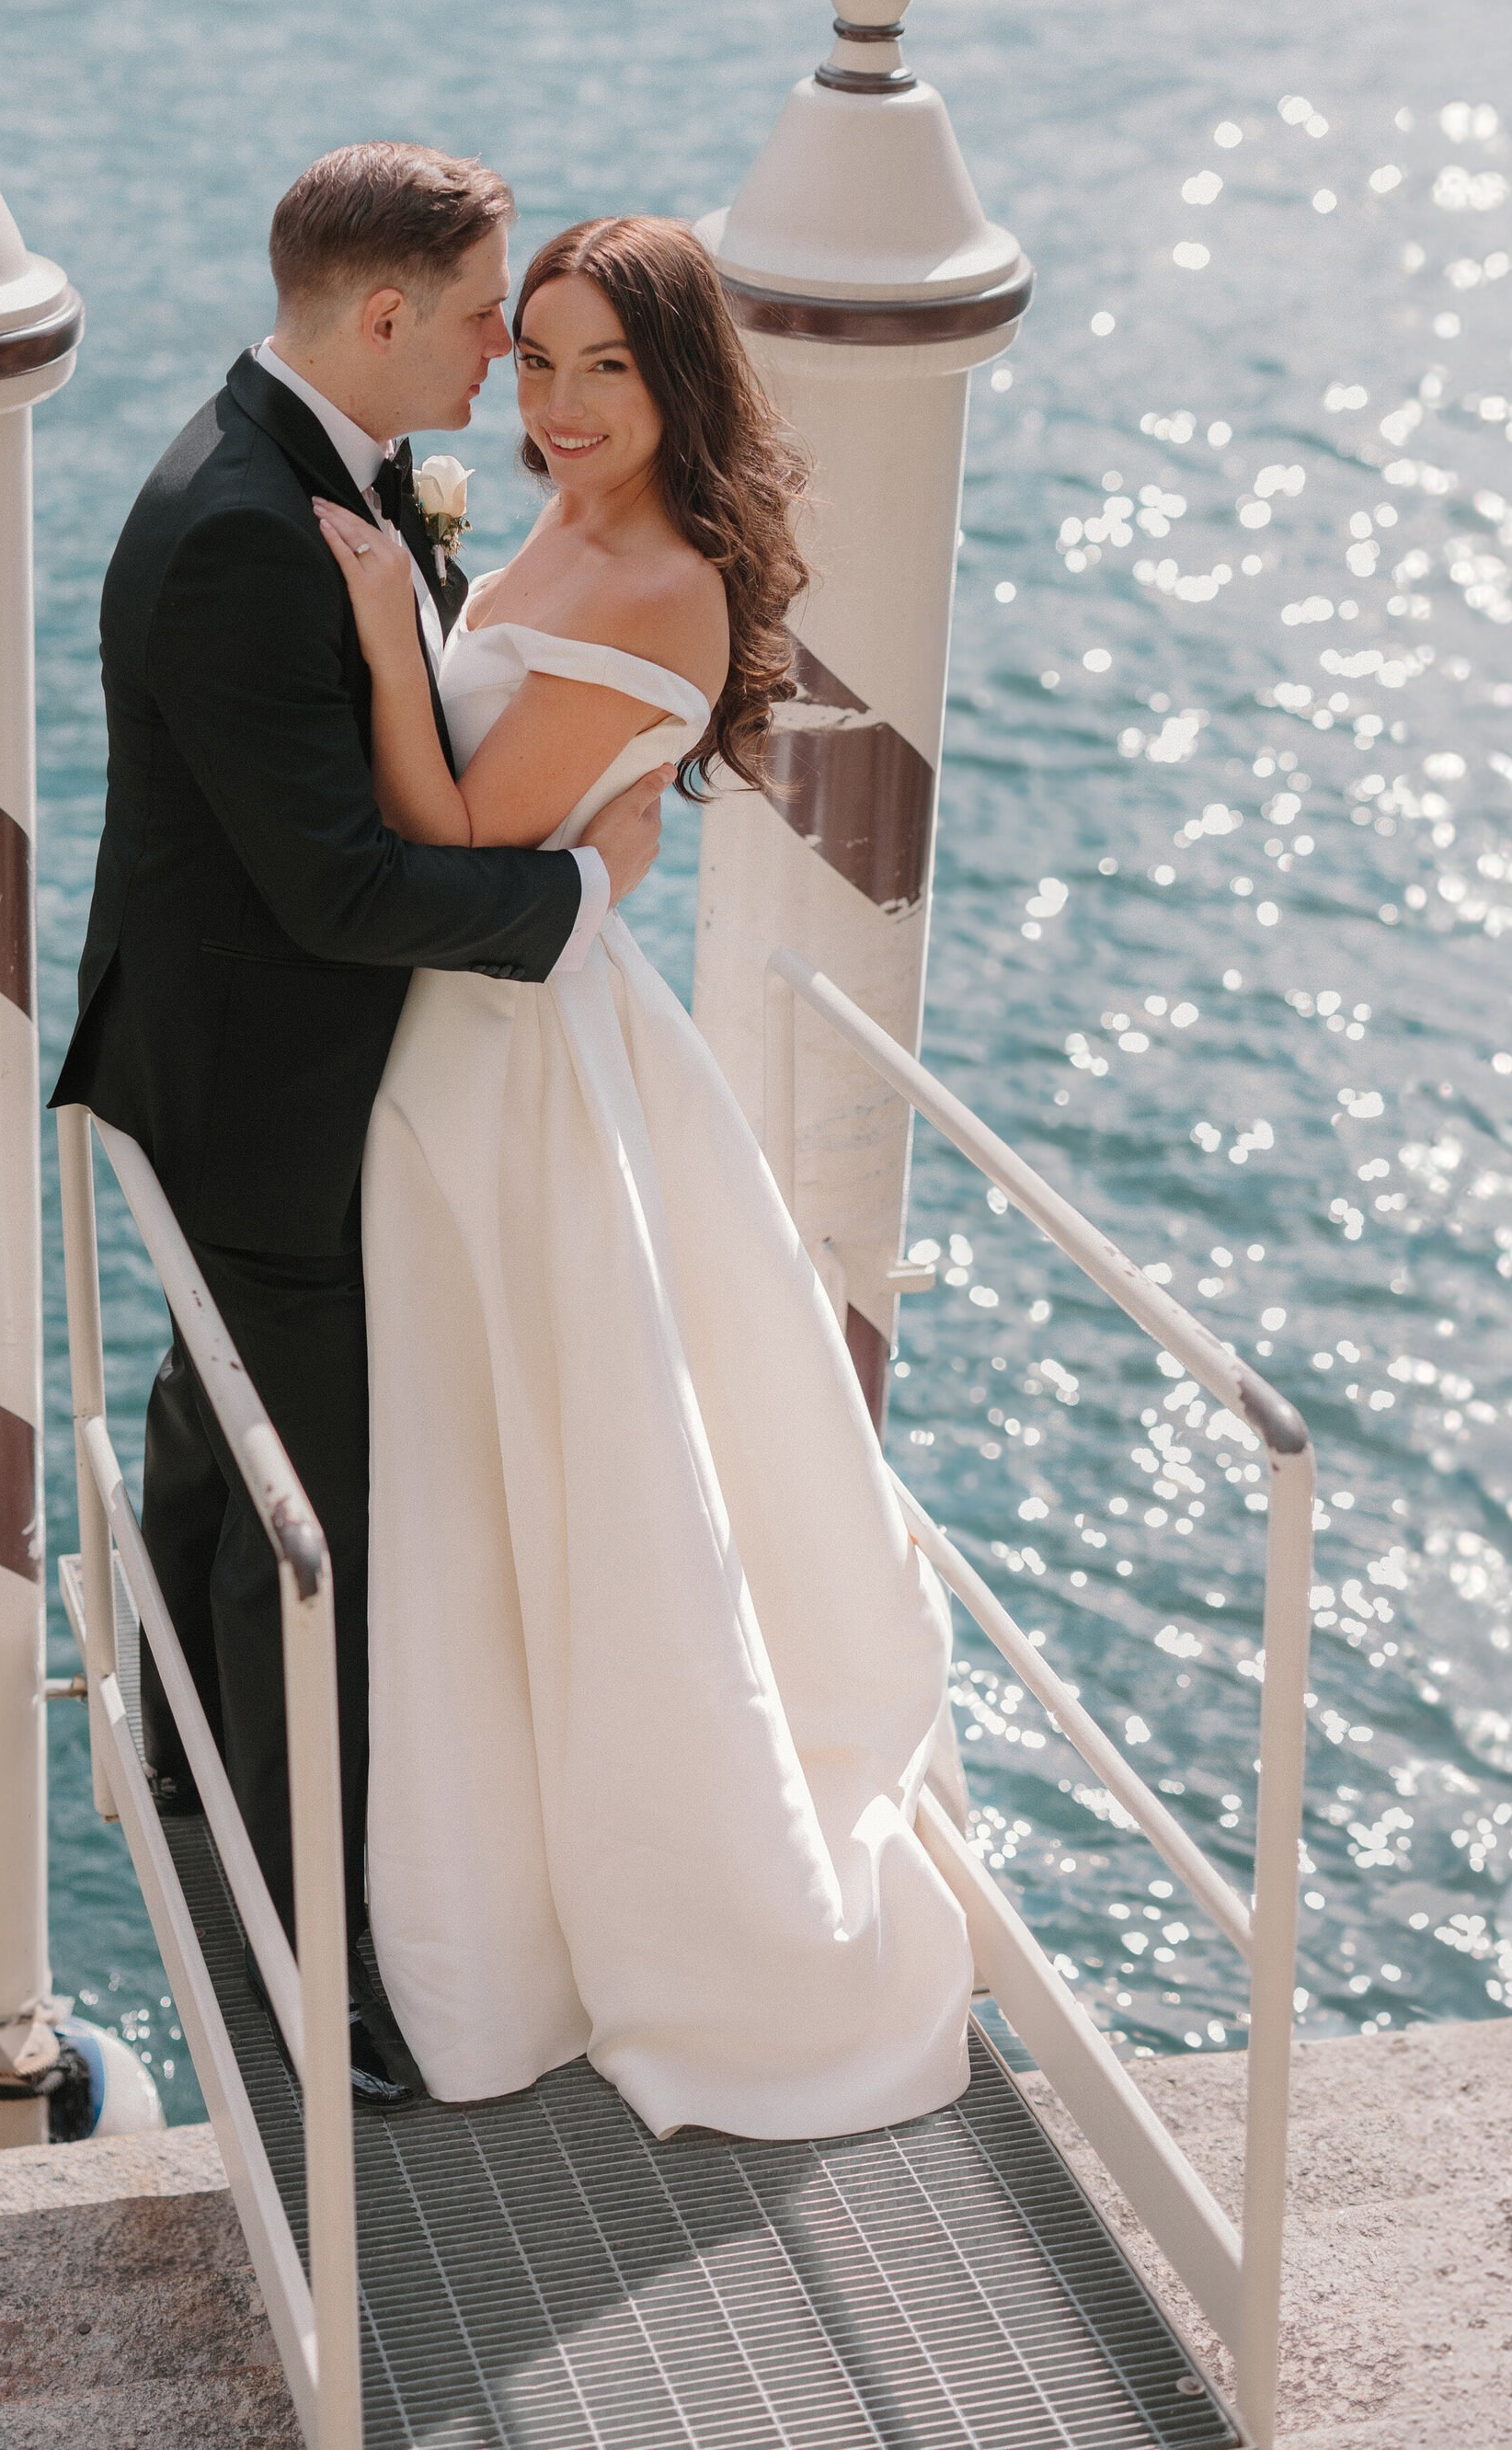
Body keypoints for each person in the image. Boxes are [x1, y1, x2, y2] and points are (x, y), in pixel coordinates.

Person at [314, 213, 974, 2142]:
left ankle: (627, 1918)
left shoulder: (669, 584)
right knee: (485, 1471)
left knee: (548, 1469)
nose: (562, 403)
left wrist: (376, 632)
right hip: (479, 1035)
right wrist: (600, 831)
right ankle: (480, 1884)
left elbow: (446, 826)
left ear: (682, 375)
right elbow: (584, 827)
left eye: (606, 364)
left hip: (520, 1063)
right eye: (535, 359)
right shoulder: (556, 532)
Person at [51, 146, 670, 2110]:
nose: (508, 355)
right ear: (385, 313)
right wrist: (575, 905)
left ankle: (173, 1748)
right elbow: (331, 888)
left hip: (242, 1067)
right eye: (489, 315)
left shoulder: (295, 464)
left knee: (223, 1450)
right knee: (310, 1526)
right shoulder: (248, 522)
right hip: (266, 1097)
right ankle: (316, 1976)